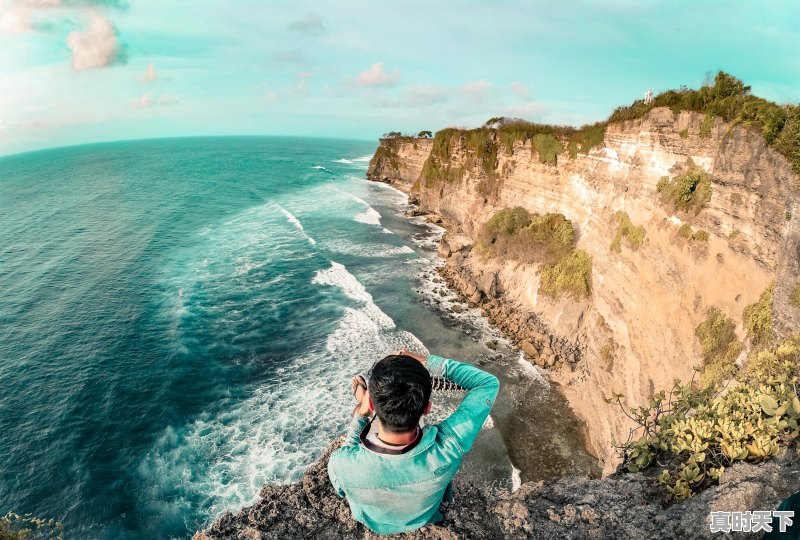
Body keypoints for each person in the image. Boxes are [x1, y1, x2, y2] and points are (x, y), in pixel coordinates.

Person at [327, 348, 500, 535]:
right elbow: (487, 383)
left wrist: (362, 413)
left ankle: (362, 398)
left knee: (364, 417)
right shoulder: (449, 446)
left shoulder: (341, 464)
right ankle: (364, 398)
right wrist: (426, 360)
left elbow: (341, 488)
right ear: (427, 408)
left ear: (371, 405)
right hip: (425, 517)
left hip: (373, 522)